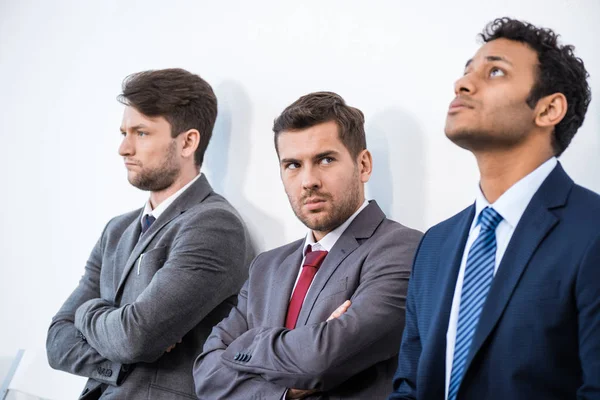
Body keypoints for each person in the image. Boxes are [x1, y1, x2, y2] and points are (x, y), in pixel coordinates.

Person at [389, 17, 596, 400]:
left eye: (495, 71)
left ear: (549, 110)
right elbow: (411, 384)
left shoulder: (592, 231)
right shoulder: (435, 244)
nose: (462, 83)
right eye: (466, 71)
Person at [193, 91, 423, 399]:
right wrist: (287, 389)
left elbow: (320, 361)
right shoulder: (267, 266)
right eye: (293, 165)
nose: (308, 180)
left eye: (325, 160)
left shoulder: (403, 249)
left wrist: (247, 342)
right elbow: (206, 374)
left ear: (364, 165)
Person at [46, 68, 254, 399]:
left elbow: (134, 338)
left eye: (141, 133)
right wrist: (116, 355)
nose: (124, 148)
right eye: (124, 132)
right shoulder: (117, 231)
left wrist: (86, 312)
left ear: (188, 142)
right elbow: (57, 340)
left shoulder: (214, 225)